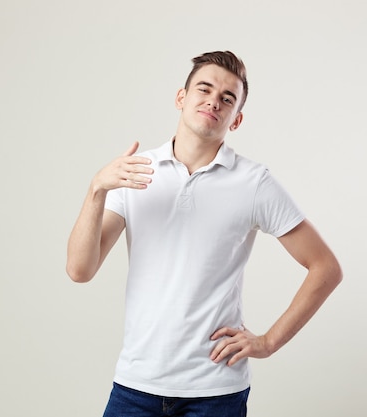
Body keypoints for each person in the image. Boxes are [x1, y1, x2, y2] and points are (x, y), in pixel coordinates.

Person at [66, 50, 342, 417]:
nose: (214, 101)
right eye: (204, 89)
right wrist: (96, 190)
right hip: (136, 385)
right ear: (182, 97)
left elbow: (325, 267)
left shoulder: (254, 182)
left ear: (236, 118)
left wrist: (269, 341)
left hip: (216, 392)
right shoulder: (134, 172)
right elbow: (80, 270)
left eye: (227, 98)